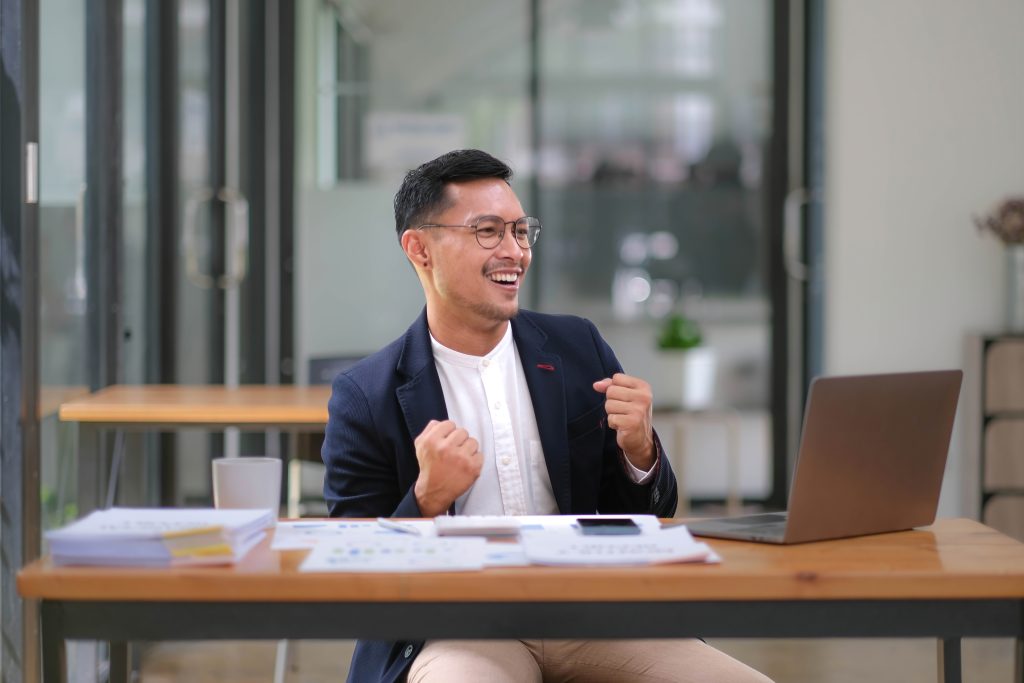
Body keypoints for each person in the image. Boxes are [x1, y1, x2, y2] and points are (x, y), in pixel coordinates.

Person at [321, 149, 772, 683]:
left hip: (591, 611)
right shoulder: (365, 393)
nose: (514, 251)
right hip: (457, 625)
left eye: (520, 230)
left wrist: (641, 453)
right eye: (487, 231)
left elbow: (646, 509)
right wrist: (426, 499)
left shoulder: (577, 346)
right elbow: (354, 570)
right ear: (420, 249)